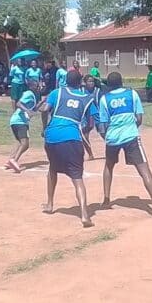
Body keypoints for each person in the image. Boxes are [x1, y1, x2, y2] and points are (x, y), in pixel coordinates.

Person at [97, 72, 152, 220]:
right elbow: (139, 118)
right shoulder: (132, 94)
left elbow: (103, 124)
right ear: (121, 82)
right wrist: (131, 127)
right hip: (131, 136)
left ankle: (106, 200)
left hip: (112, 138)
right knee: (145, 171)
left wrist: (108, 136)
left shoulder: (104, 99)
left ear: (109, 85)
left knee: (108, 166)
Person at [39, 69, 98, 227]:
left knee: (52, 169)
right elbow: (93, 121)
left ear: (65, 80)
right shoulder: (87, 98)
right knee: (77, 178)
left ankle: (50, 204)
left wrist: (45, 127)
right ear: (81, 83)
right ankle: (85, 215)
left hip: (52, 136)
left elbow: (44, 110)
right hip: (72, 138)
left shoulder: (56, 93)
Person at [6, 80, 41, 172]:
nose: (39, 88)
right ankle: (14, 160)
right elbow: (18, 103)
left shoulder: (33, 96)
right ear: (31, 87)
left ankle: (10, 160)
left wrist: (42, 102)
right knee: (25, 144)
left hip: (18, 121)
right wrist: (27, 111)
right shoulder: (28, 93)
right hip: (19, 121)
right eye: (37, 86)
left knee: (20, 142)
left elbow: (34, 109)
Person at [80, 74, 101, 158]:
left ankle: (112, 150)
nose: (91, 83)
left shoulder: (98, 91)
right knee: (84, 135)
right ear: (85, 83)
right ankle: (90, 154)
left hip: (97, 114)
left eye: (92, 81)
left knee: (103, 133)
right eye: (89, 81)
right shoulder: (81, 90)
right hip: (86, 115)